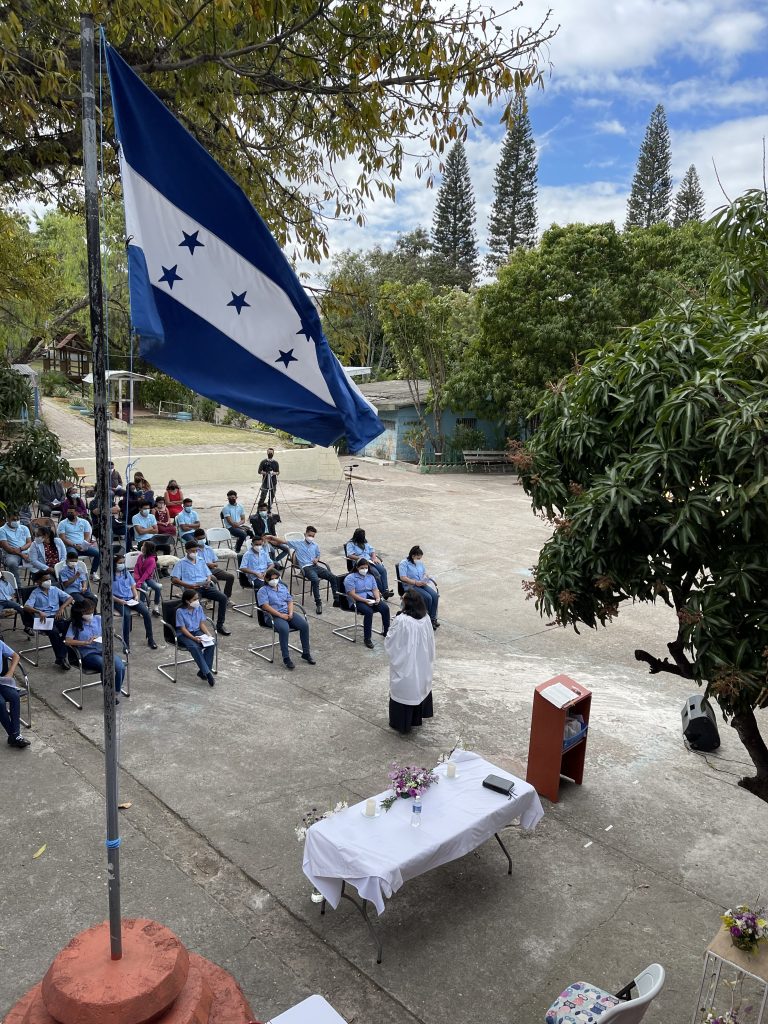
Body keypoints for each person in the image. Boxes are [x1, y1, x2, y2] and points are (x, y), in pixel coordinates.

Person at [385, 590, 435, 734]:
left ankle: (401, 723)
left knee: (405, 688)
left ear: (407, 603)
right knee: (418, 686)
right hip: (422, 659)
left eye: (403, 599)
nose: (401, 601)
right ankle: (415, 718)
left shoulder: (402, 620)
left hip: (407, 662)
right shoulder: (425, 617)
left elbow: (391, 640)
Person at [257, 568, 315, 670]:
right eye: (272, 579)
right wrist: (280, 615)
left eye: (276, 578)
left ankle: (306, 653)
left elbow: (289, 601)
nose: (274, 581)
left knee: (304, 625)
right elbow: (265, 606)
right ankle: (286, 657)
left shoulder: (283, 587)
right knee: (284, 629)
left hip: (287, 613)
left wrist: (291, 613)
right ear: (266, 579)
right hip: (273, 616)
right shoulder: (262, 591)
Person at [65, 600, 126, 695]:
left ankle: (116, 692)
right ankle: (109, 694)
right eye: (87, 613)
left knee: (120, 667)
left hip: (104, 650)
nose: (90, 614)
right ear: (80, 613)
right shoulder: (75, 624)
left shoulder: (98, 618)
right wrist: (84, 642)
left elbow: (111, 629)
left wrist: (109, 632)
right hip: (88, 653)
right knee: (106, 667)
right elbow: (68, 641)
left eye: (91, 611)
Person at [171, 542, 231, 636]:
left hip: (205, 586)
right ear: (186, 550)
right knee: (196, 603)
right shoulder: (181, 563)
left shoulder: (200, 560)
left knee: (223, 598)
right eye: (192, 551)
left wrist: (208, 581)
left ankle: (220, 625)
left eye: (196, 551)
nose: (194, 553)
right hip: (191, 589)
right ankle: (194, 627)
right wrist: (188, 585)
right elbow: (174, 579)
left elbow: (208, 574)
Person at [22, 570, 74, 670]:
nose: (48, 581)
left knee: (71, 626)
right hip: (43, 619)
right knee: (54, 632)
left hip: (56, 617)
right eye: (45, 580)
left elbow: (70, 598)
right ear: (38, 582)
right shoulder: (35, 593)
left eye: (49, 579)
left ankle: (61, 656)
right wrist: (38, 611)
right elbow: (26, 607)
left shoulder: (54, 589)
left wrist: (62, 607)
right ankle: (62, 658)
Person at [282, 525, 339, 615]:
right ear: (305, 534)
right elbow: (283, 541)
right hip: (306, 568)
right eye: (310, 535)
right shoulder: (298, 543)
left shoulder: (315, 545)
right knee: (315, 580)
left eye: (313, 536)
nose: (311, 537)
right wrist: (271, 537)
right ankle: (318, 603)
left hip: (315, 566)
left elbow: (318, 555)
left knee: (333, 577)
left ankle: (337, 600)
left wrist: (317, 559)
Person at [343, 558, 391, 649]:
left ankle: (386, 631)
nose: (364, 570)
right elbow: (352, 594)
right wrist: (365, 601)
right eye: (362, 568)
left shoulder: (370, 576)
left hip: (370, 597)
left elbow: (375, 589)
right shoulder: (350, 578)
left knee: (385, 608)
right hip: (356, 600)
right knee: (368, 612)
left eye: (366, 568)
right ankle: (367, 638)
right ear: (357, 567)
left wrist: (377, 598)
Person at [112, 555, 157, 649]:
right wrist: (119, 601)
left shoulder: (126, 573)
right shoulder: (109, 576)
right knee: (127, 616)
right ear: (114, 564)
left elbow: (133, 586)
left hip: (131, 599)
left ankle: (150, 639)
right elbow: (108, 594)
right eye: (120, 563)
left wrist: (136, 596)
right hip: (119, 601)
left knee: (146, 613)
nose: (122, 565)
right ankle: (126, 644)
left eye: (123, 562)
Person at [175, 588, 216, 686]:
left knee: (211, 644)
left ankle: (202, 671)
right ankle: (207, 673)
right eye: (194, 599)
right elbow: (183, 629)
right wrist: (193, 639)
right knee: (195, 647)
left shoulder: (199, 608)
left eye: (197, 598)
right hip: (183, 634)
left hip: (196, 631)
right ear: (187, 601)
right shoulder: (180, 611)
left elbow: (201, 624)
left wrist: (208, 634)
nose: (197, 601)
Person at [398, 546, 439, 628]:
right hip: (411, 586)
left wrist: (425, 578)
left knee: (435, 596)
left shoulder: (419, 563)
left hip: (421, 583)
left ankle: (433, 618)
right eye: (418, 558)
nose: (419, 560)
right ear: (413, 556)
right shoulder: (403, 563)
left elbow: (424, 573)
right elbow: (403, 577)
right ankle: (427, 619)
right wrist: (415, 582)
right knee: (428, 598)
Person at [0, 639, 30, 748]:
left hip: (1, 680)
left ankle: (15, 735)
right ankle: (14, 735)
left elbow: (16, 656)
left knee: (14, 696)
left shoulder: (0, 643)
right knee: (1, 703)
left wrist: (10, 672)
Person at [347, 527, 393, 598]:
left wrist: (374, 558)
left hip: (370, 561)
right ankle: (381, 592)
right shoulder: (351, 543)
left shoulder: (364, 542)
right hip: (361, 563)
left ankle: (386, 590)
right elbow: (350, 555)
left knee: (383, 570)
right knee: (376, 574)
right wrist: (361, 558)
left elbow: (372, 550)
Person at [192, 528, 235, 599]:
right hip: (202, 571)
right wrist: (208, 565)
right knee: (213, 579)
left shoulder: (209, 548)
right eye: (200, 539)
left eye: (203, 538)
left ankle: (226, 597)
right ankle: (210, 600)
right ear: (195, 539)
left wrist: (212, 565)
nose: (202, 540)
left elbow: (215, 563)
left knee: (230, 577)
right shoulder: (194, 551)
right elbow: (195, 565)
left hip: (212, 569)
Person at [57, 508, 100, 578]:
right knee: (73, 556)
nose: (69, 514)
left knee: (98, 554)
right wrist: (75, 545)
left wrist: (84, 544)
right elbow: (63, 538)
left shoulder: (84, 522)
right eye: (68, 512)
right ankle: (75, 575)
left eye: (71, 512)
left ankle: (93, 573)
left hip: (82, 546)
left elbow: (87, 535)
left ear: (77, 513)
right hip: (70, 546)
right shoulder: (62, 523)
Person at [0, 512, 33, 587]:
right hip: (11, 554)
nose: (16, 521)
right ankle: (18, 588)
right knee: (12, 563)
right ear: (7, 519)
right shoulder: (2, 530)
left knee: (39, 560)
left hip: (26, 552)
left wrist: (21, 549)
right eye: (14, 519)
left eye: (18, 519)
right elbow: (8, 549)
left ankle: (39, 583)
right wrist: (22, 555)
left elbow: (29, 542)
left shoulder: (24, 528)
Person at [134, 541, 163, 615]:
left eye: (143, 546)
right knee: (144, 586)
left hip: (147, 578)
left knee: (157, 587)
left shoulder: (152, 560)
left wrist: (140, 581)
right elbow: (136, 567)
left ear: (147, 548)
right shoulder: (140, 556)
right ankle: (142, 606)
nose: (142, 547)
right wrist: (138, 579)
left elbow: (147, 573)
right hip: (138, 577)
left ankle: (156, 607)